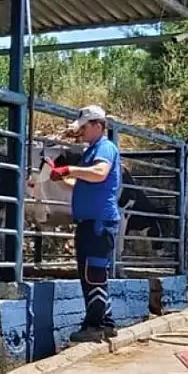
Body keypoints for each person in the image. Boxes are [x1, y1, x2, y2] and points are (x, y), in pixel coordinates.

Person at [43, 104, 121, 343]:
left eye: (85, 127)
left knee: (93, 274)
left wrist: (71, 169)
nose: (82, 132)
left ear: (98, 125)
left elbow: (99, 173)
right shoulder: (91, 151)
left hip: (98, 223)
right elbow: (81, 185)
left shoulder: (105, 148)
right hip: (90, 222)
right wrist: (59, 176)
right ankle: (106, 322)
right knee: (92, 273)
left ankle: (94, 326)